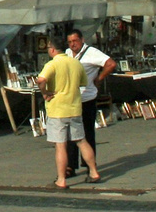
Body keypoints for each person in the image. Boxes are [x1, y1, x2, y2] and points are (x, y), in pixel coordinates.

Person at [37, 35, 99, 188]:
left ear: (52, 49)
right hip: (75, 108)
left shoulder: (52, 64)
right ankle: (93, 171)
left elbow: (41, 80)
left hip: (58, 110)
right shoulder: (75, 63)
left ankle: (61, 179)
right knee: (81, 141)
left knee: (60, 145)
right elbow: (84, 82)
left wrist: (45, 93)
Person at [65, 29, 114, 177]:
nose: (73, 44)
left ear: (82, 40)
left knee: (87, 134)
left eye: (75, 41)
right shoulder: (67, 53)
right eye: (70, 42)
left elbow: (111, 64)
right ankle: (70, 166)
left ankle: (89, 164)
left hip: (87, 99)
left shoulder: (92, 52)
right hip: (71, 100)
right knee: (69, 134)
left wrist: (99, 78)